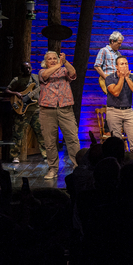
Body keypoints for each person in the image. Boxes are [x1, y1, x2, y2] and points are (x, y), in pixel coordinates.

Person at [38, 51, 81, 179]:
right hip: (47, 110)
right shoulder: (41, 72)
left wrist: (65, 62)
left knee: (72, 139)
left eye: (54, 58)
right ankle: (53, 169)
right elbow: (45, 75)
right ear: (45, 62)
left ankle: (78, 167)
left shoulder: (64, 71)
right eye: (49, 59)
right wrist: (59, 64)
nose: (52, 60)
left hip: (65, 109)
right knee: (50, 141)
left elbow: (73, 73)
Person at [5, 62, 47, 163]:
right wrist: (16, 93)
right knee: (17, 134)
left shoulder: (36, 78)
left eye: (29, 68)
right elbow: (7, 90)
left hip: (36, 110)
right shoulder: (17, 79)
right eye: (25, 68)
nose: (28, 70)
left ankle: (46, 156)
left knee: (41, 133)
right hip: (22, 111)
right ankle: (15, 156)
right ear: (22, 70)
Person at [105, 56, 133, 158]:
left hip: (128, 111)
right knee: (116, 141)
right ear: (116, 67)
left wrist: (127, 78)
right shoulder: (110, 78)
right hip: (113, 111)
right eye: (122, 64)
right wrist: (121, 78)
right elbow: (115, 92)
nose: (125, 66)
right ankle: (118, 163)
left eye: (126, 64)